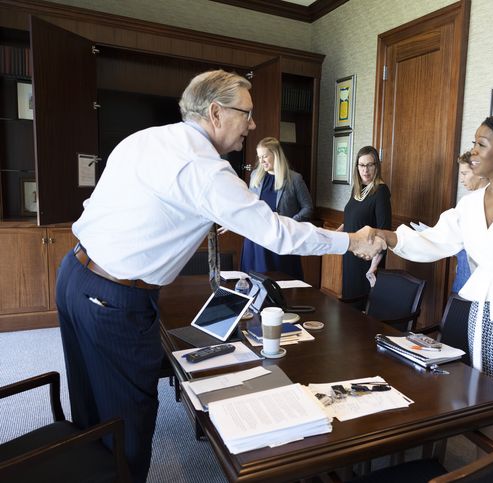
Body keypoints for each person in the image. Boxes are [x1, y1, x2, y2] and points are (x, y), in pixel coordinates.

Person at [54, 69, 382, 483]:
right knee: (127, 421)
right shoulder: (205, 168)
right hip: (113, 297)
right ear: (215, 112)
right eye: (246, 112)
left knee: (90, 411)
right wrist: (350, 241)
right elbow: (276, 232)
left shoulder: (147, 138)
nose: (253, 124)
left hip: (75, 275)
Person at [370, 111, 493, 444]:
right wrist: (388, 236)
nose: (473, 152)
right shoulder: (471, 203)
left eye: (481, 144)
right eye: (473, 144)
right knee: (489, 405)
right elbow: (435, 240)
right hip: (484, 318)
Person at [241, 136, 313, 279]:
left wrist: (289, 224)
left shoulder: (295, 179)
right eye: (259, 157)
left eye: (265, 156)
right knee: (254, 284)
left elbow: (308, 208)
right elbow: (249, 206)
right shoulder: (255, 176)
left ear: (276, 155)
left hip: (282, 240)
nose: (261, 161)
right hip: (256, 242)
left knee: (282, 284)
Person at [338, 146, 392, 308]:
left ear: (377, 166)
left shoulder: (381, 191)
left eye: (370, 165)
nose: (365, 170)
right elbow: (351, 218)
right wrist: (334, 234)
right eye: (362, 165)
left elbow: (384, 231)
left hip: (367, 260)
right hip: (350, 255)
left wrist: (373, 267)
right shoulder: (358, 188)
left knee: (362, 308)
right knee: (349, 305)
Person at [451, 151, 486, 293]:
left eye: (465, 174)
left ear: (480, 172)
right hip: (463, 267)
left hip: (477, 274)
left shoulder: (489, 203)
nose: (461, 179)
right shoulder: (468, 202)